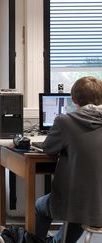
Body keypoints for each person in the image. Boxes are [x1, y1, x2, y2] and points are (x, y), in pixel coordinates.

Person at [35, 76, 102, 243]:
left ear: (73, 99)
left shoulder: (65, 121)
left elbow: (48, 148)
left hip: (77, 205)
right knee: (82, 202)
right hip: (96, 203)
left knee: (40, 205)